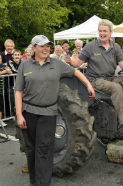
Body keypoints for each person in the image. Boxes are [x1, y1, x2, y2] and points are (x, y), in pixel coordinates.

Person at [15, 35, 95, 186]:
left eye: (47, 46)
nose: (46, 49)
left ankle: (43, 183)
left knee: (44, 150)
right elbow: (18, 91)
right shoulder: (25, 66)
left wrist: (88, 84)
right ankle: (34, 182)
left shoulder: (56, 64)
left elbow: (75, 72)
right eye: (42, 46)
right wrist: (19, 115)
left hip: (48, 113)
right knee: (31, 151)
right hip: (29, 112)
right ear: (34, 48)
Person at [65, 19, 123, 129]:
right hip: (95, 80)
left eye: (105, 31)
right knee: (116, 88)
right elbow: (77, 63)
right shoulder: (90, 46)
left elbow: (122, 65)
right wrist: (70, 61)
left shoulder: (115, 46)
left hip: (111, 77)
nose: (102, 33)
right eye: (100, 31)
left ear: (111, 32)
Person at [0, 55, 12, 127]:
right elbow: (5, 71)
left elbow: (10, 72)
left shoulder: (3, 66)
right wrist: (5, 71)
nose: (0, 60)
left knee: (1, 105)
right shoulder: (4, 68)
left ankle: (0, 120)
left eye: (0, 58)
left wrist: (8, 71)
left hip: (2, 90)